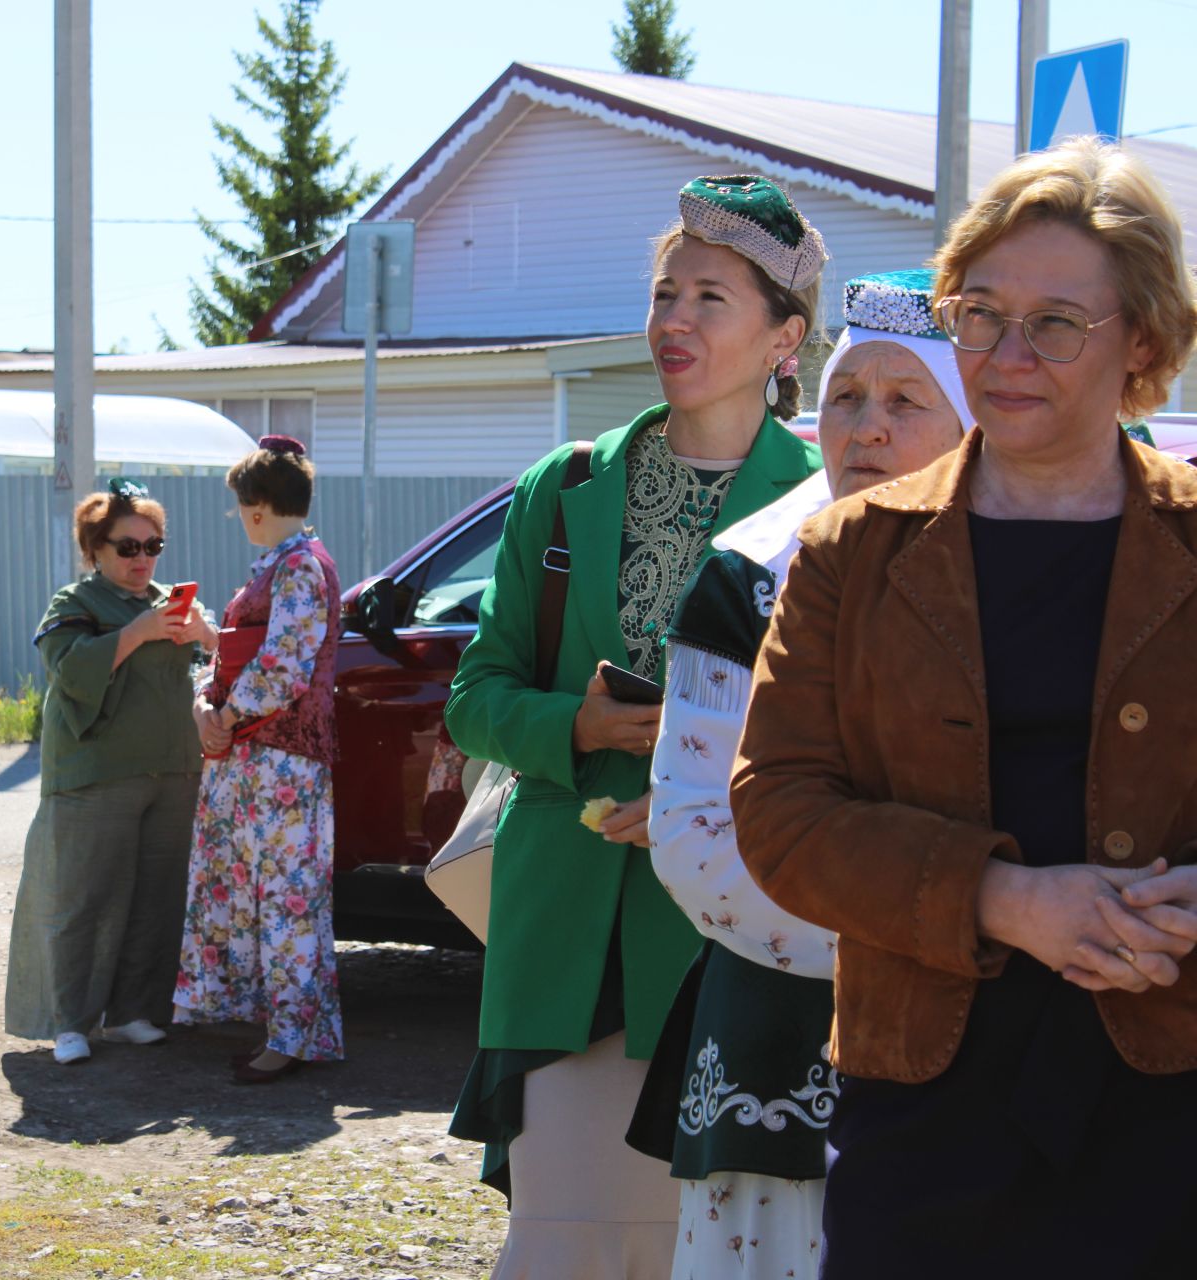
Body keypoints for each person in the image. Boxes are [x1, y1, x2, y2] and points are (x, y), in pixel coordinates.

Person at [730, 138, 1197, 1277]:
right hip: (923, 1103)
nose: (1006, 353)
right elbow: (779, 809)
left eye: (1055, 323)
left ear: (1141, 338)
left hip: (1172, 1085)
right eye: (981, 313)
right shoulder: (854, 549)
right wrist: (1005, 897)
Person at [444, 175, 828, 1279]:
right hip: (567, 939)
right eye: (666, 292)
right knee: (564, 1244)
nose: (674, 320)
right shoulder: (563, 488)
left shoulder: (831, 499)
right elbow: (477, 691)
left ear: (784, 338)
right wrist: (579, 724)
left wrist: (710, 792)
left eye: (711, 297)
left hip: (742, 945)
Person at [631, 270, 974, 1280]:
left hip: (990, 1042)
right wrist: (939, 934)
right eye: (845, 396)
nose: (865, 426)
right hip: (783, 1032)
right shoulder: (748, 574)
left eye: (906, 400)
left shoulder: (1034, 582)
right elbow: (695, 835)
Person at [5, 478, 217, 1066]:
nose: (141, 559)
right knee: (83, 900)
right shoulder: (74, 603)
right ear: (95, 548)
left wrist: (207, 634)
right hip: (94, 776)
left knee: (156, 900)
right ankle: (69, 1022)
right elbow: (68, 672)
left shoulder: (176, 600)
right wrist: (137, 633)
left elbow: (218, 668)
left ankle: (129, 1014)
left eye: (153, 547)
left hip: (174, 774)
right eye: (127, 547)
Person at [173, 435, 346, 1084]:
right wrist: (212, 703)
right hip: (264, 759)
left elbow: (282, 666)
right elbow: (261, 657)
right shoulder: (291, 561)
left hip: (281, 760)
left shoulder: (298, 565)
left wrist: (224, 716)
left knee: (287, 897)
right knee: (276, 895)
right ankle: (287, 1030)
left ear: (256, 506)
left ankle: (294, 1038)